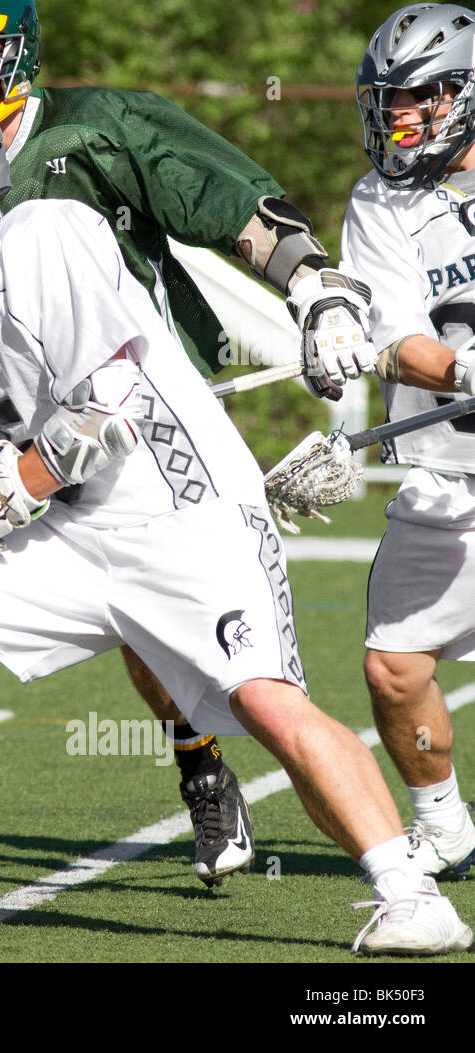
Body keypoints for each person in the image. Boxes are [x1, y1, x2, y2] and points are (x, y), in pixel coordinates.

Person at [0, 97, 474, 958]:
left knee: (268, 704)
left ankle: (410, 890)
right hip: (73, 527)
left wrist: (0, 494)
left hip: (185, 516)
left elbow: (108, 409)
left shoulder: (43, 234)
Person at [336, 3, 475, 880]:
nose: (401, 119)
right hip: (448, 475)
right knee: (394, 671)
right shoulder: (382, 200)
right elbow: (398, 339)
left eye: (421, 98)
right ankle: (447, 826)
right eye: (390, 101)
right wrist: (464, 372)